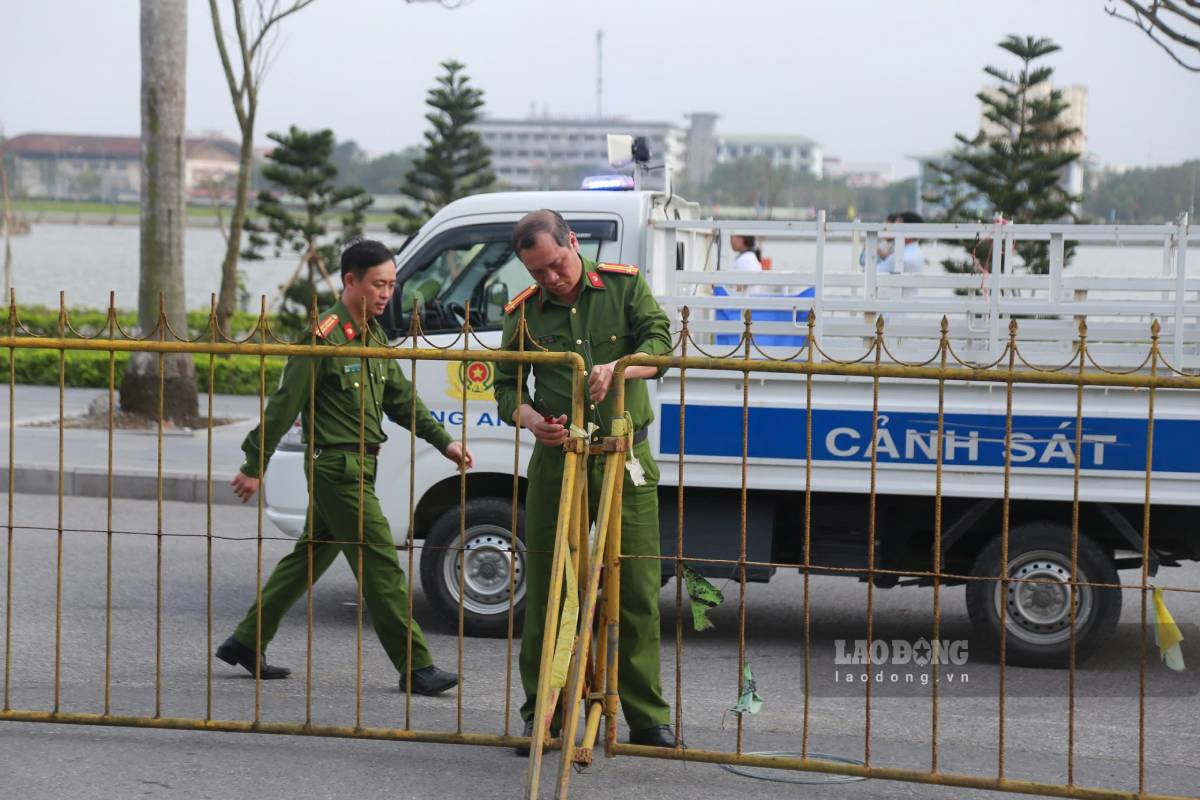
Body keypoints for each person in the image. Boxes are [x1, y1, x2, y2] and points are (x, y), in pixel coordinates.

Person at [217, 239, 472, 697]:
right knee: (381, 567)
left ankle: (245, 641)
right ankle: (415, 667)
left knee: (307, 559)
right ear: (349, 281)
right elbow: (284, 404)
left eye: (392, 285)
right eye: (378, 284)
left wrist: (444, 442)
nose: (386, 293)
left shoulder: (372, 335)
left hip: (360, 468)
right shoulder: (325, 337)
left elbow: (400, 399)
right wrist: (254, 464)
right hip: (337, 470)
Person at [494, 209, 677, 751]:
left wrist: (620, 367)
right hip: (559, 460)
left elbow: (662, 347)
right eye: (537, 273)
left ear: (573, 242)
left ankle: (645, 717)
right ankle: (544, 712)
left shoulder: (624, 285)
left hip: (625, 458)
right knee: (553, 586)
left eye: (556, 264)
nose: (550, 279)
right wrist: (529, 419)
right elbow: (507, 386)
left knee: (637, 589)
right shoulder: (524, 312)